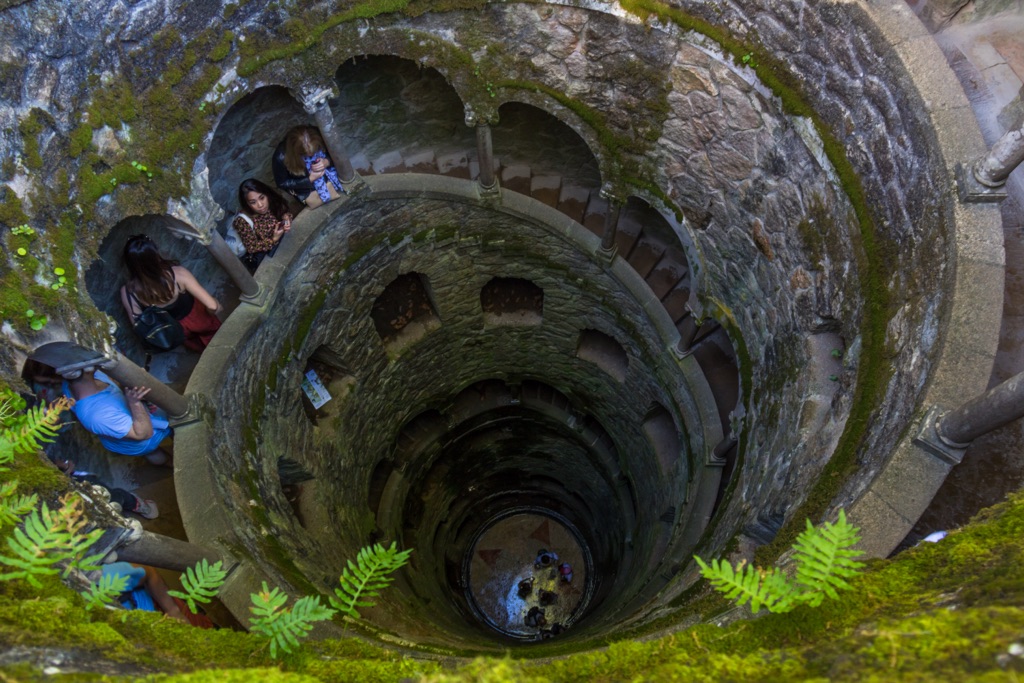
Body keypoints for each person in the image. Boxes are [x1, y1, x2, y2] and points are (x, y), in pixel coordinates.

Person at [120, 235, 222, 352]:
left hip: (174, 328)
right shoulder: (178, 274)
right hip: (197, 316)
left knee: (197, 346)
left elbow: (139, 325)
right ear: (155, 255)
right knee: (217, 336)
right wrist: (216, 307)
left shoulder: (127, 292)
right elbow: (212, 306)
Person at [62, 368, 171, 465]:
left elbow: (115, 385)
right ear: (87, 370)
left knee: (153, 451)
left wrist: (132, 380)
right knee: (153, 451)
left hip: (124, 428)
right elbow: (144, 434)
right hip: (140, 440)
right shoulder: (97, 416)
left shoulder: (77, 382)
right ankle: (172, 464)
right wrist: (135, 403)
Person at [53, 456, 159, 519]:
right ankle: (142, 508)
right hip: (84, 491)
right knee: (118, 495)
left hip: (70, 498)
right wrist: (67, 468)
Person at [272, 125, 344, 208]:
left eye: (315, 151)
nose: (311, 155)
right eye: (304, 154)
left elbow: (338, 154)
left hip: (332, 179)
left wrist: (327, 161)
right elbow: (282, 183)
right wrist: (309, 180)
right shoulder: (281, 156)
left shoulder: (320, 135)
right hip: (309, 191)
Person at [231, 178, 293, 273]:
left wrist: (286, 218)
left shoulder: (272, 201)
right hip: (265, 258)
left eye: (262, 198)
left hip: (282, 244)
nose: (260, 205)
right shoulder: (242, 221)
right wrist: (273, 239)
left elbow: (284, 211)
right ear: (247, 204)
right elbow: (252, 247)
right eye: (253, 202)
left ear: (266, 194)